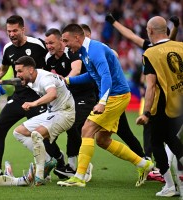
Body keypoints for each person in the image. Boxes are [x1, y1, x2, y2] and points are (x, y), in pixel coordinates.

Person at [56, 23, 153, 188]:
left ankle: (79, 177)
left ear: (77, 37)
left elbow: (106, 76)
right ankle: (143, 164)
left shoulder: (94, 50)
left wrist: (102, 102)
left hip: (116, 96)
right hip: (116, 96)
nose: (65, 45)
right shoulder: (86, 51)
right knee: (102, 139)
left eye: (66, 41)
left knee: (86, 129)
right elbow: (93, 76)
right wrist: (68, 80)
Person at [0, 15, 55, 176]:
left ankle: (59, 163)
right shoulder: (8, 48)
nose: (12, 34)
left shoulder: (37, 45)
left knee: (43, 134)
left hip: (38, 97)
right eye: (9, 31)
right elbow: (3, 69)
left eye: (15, 30)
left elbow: (52, 62)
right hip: (18, 97)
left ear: (23, 29)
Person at [105, 13, 180, 182]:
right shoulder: (161, 46)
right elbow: (130, 35)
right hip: (168, 97)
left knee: (162, 136)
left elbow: (166, 46)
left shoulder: (153, 51)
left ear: (151, 31)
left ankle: (164, 171)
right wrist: (115, 22)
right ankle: (152, 160)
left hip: (162, 98)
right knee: (162, 134)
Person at [80, 23, 146, 160]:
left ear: (89, 35)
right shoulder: (77, 52)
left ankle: (144, 160)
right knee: (100, 137)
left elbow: (111, 58)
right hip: (98, 96)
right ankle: (144, 161)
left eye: (85, 36)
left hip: (108, 97)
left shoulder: (95, 49)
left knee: (119, 132)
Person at [136, 16, 183, 197]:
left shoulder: (150, 54)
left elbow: (152, 86)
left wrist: (146, 112)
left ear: (150, 31)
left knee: (156, 142)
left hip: (164, 105)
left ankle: (170, 185)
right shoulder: (180, 46)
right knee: (172, 140)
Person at [10, 56, 75, 185]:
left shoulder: (45, 78)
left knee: (36, 134)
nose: (17, 75)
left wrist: (34, 103)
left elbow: (52, 94)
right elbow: (17, 81)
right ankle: (47, 161)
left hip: (65, 113)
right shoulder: (30, 77)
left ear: (30, 70)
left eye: (20, 71)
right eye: (16, 71)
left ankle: (40, 175)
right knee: (18, 132)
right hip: (52, 112)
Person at [43, 28, 97, 181]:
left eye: (51, 42)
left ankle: (80, 166)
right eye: (46, 43)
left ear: (61, 41)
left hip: (84, 96)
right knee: (59, 128)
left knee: (73, 125)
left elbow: (76, 69)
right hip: (66, 99)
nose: (49, 46)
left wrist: (63, 81)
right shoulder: (49, 59)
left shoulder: (72, 52)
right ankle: (70, 165)